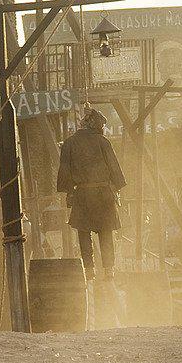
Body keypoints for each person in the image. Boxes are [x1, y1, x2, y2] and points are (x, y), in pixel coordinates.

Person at [56, 108, 125, 280]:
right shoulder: (103, 142)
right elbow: (115, 169)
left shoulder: (69, 143)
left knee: (83, 232)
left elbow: (64, 171)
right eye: (101, 124)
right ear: (94, 124)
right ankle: (109, 270)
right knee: (106, 232)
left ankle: (89, 269)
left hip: (83, 193)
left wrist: (69, 192)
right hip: (102, 193)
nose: (102, 128)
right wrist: (116, 187)